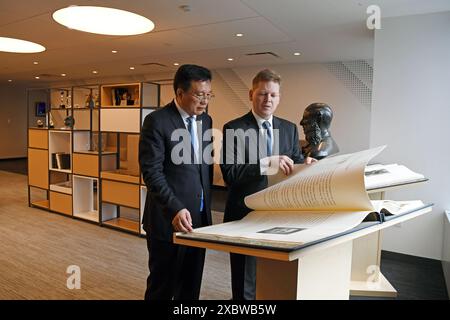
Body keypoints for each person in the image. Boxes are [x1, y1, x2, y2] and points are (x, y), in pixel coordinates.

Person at [220, 69, 316, 300]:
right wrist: (265, 164)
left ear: (279, 97)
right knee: (245, 280)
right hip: (244, 214)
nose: (268, 100)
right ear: (251, 94)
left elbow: (292, 162)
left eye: (273, 95)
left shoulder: (289, 128)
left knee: (276, 276)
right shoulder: (234, 128)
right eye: (262, 94)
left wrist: (305, 163)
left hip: (279, 215)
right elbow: (230, 174)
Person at [139, 64, 214, 300]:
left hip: (199, 219)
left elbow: (202, 170)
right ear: (180, 93)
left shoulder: (206, 121)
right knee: (163, 286)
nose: (204, 101)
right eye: (199, 95)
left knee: (191, 285)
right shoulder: (157, 121)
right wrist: (175, 207)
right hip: (167, 219)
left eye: (208, 95)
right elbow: (151, 172)